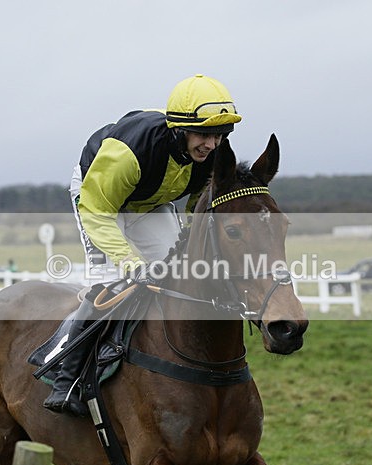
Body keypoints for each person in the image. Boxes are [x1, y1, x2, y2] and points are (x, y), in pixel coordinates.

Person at [44, 74, 242, 415]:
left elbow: (200, 206)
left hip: (148, 202)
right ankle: (67, 376)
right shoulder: (128, 153)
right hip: (101, 202)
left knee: (175, 272)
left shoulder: (210, 155)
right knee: (111, 283)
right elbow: (97, 210)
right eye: (205, 134)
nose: (212, 144)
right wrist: (128, 260)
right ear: (179, 128)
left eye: (219, 135)